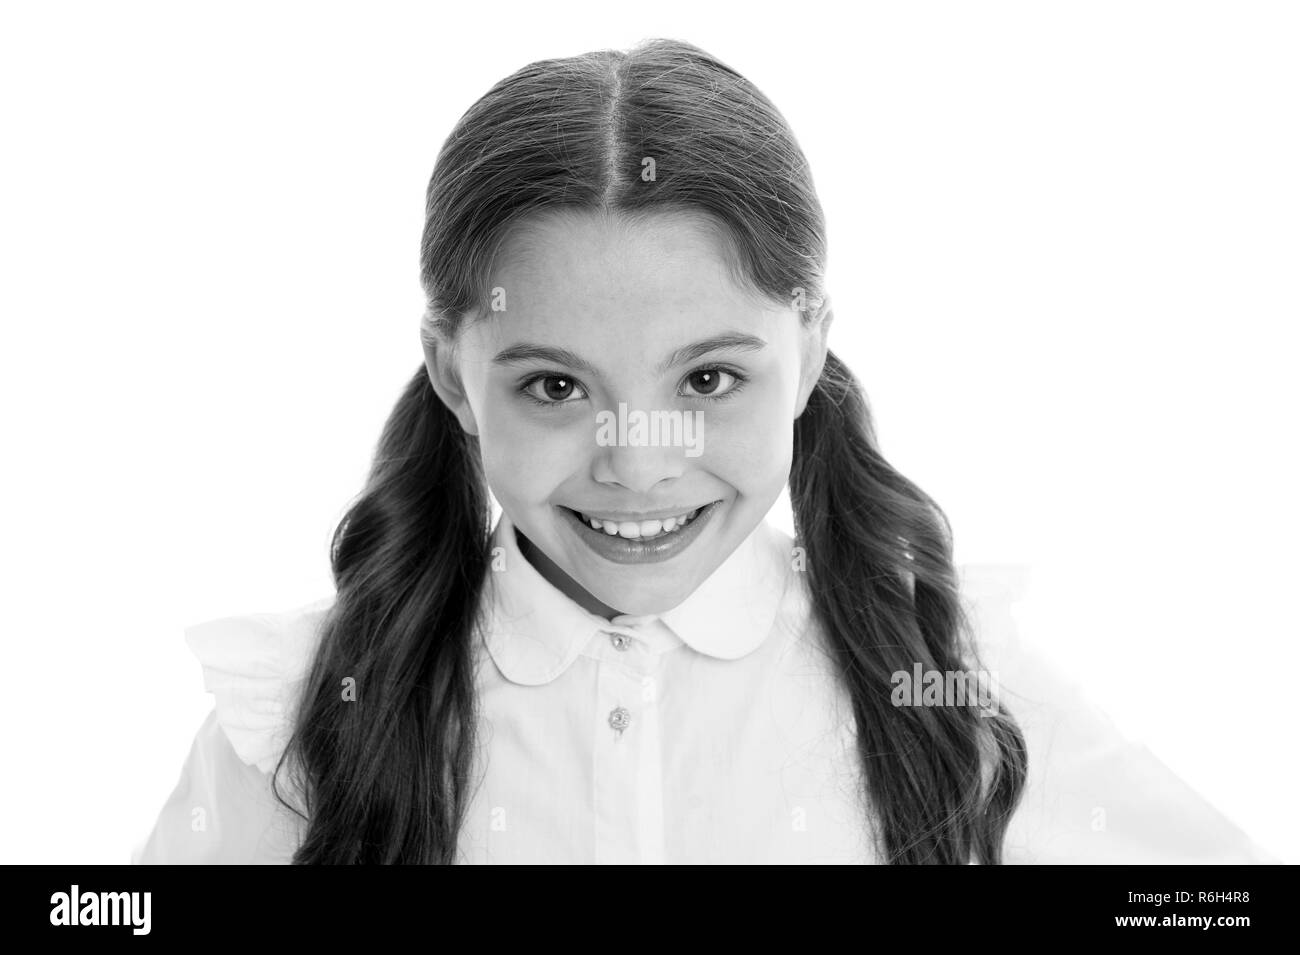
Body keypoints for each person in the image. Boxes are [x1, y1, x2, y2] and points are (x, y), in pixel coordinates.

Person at [133, 38, 1275, 865]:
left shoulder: (956, 683)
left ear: (810, 344)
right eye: (554, 385)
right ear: (450, 372)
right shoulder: (307, 709)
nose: (638, 462)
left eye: (709, 378)